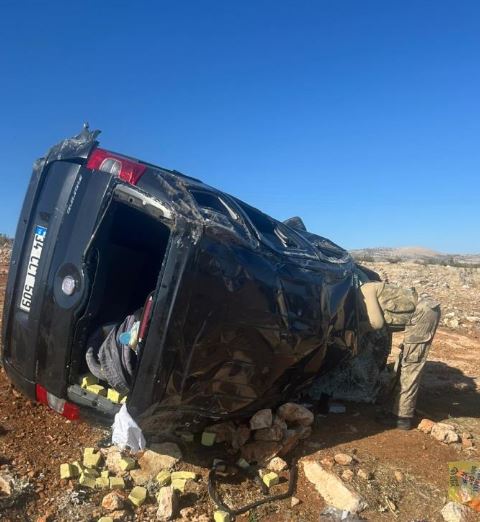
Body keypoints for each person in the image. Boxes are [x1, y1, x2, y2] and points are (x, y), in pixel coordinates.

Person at [359, 281, 441, 430]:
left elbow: (376, 323)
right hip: (421, 312)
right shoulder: (363, 288)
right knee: (406, 362)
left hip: (424, 312)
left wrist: (357, 329)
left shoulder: (366, 289)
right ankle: (399, 407)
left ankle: (402, 418)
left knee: (411, 365)